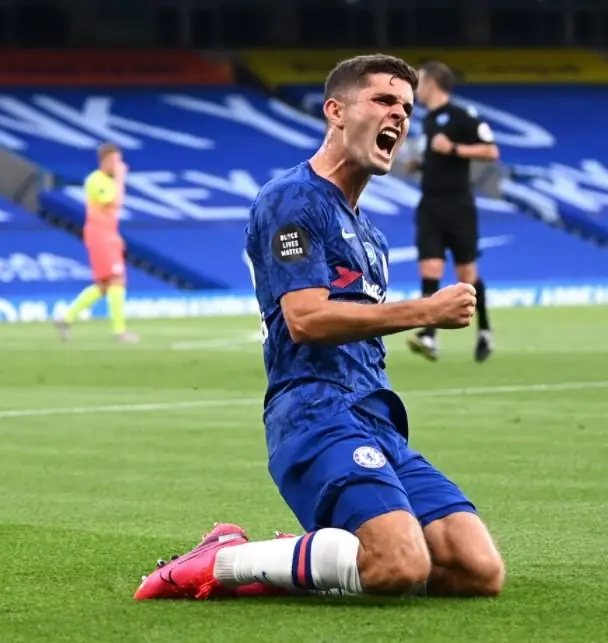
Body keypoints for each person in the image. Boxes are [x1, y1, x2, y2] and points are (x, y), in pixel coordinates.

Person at [134, 54, 505, 601]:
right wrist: (426, 311)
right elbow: (306, 319)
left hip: (378, 420)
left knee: (477, 571)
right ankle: (226, 558)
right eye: (383, 100)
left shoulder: (371, 237)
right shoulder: (292, 198)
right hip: (314, 413)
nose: (400, 116)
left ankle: (309, 557)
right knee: (399, 564)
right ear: (336, 111)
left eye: (407, 108)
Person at [406, 60, 500, 363]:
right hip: (430, 204)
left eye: (419, 81)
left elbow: (491, 150)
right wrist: (422, 165)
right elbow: (439, 156)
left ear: (432, 83)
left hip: (458, 206)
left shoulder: (462, 116)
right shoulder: (429, 120)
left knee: (466, 274)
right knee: (429, 268)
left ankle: (484, 330)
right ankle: (429, 335)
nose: (416, 89)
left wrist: (455, 149)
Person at [55, 143, 138, 343]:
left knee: (103, 285)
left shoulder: (107, 180)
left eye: (119, 161)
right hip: (99, 233)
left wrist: (115, 235)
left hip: (107, 232)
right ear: (104, 161)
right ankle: (119, 332)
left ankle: (66, 318)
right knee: (117, 280)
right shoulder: (96, 180)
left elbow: (111, 212)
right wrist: (120, 178)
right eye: (115, 161)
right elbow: (111, 201)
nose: (118, 165)